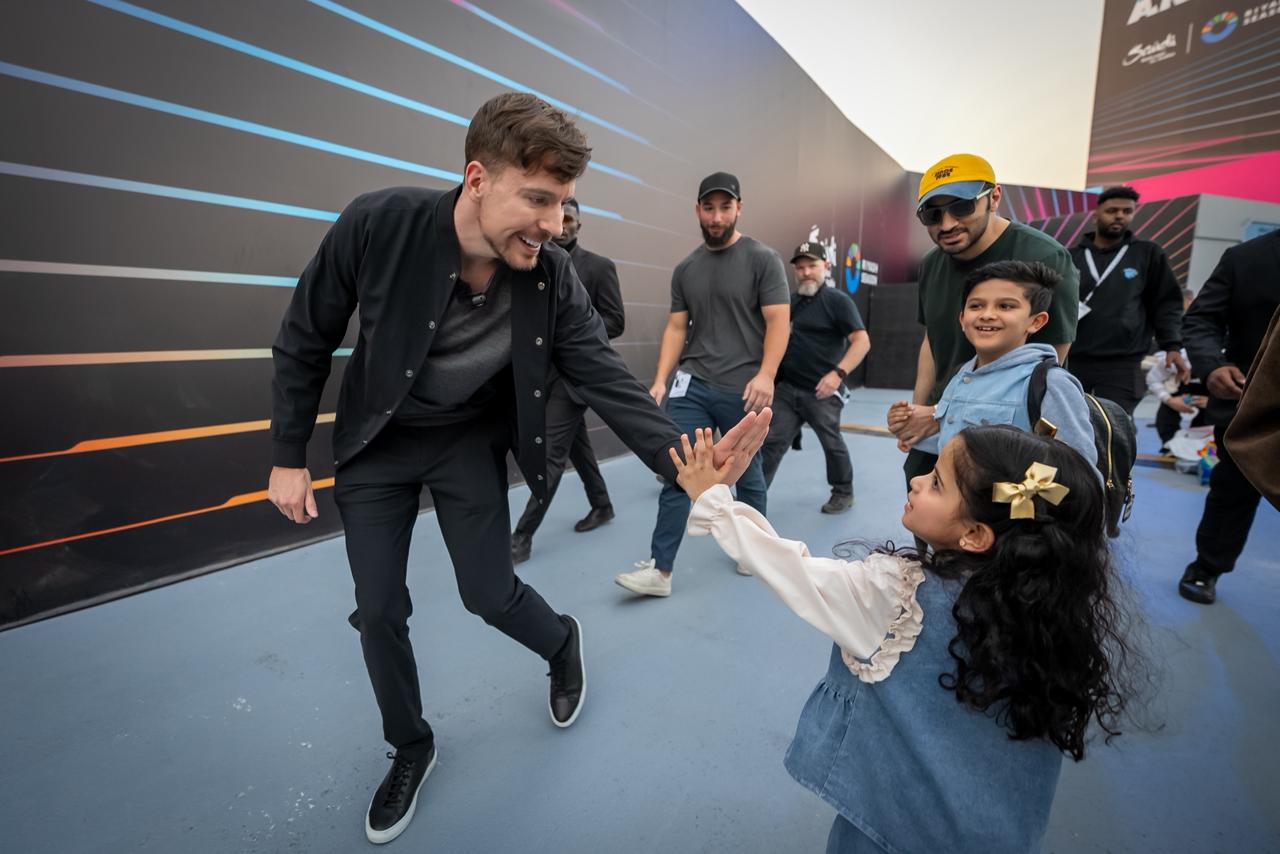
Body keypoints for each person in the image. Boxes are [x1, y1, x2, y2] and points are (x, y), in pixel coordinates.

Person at [267, 93, 771, 844]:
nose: (554, 223)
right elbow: (305, 336)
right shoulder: (377, 223)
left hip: (465, 442)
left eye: (563, 202)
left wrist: (689, 466)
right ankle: (411, 746)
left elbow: (606, 378)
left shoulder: (551, 275)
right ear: (477, 179)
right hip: (377, 444)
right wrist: (287, 456)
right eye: (538, 199)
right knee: (378, 610)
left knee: (488, 593)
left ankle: (562, 642)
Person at [672, 423, 1138, 853]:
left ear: (975, 534)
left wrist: (714, 501)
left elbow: (791, 569)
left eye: (936, 483)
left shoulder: (898, 599)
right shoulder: (1047, 612)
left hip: (891, 828)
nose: (916, 481)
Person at [614, 172, 790, 597]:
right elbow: (677, 328)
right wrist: (660, 380)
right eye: (708, 208)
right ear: (697, 210)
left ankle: (753, 552)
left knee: (749, 475)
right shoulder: (686, 269)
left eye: (725, 207)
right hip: (691, 385)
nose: (716, 217)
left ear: (738, 209)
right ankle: (660, 570)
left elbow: (778, 321)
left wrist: (766, 374)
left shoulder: (762, 259)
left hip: (744, 388)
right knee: (679, 469)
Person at [895, 153, 1080, 496]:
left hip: (1006, 442)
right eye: (932, 215)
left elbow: (1046, 362)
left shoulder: (1045, 256)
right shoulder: (931, 264)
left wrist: (938, 413)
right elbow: (932, 341)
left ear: (994, 197)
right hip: (938, 428)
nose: (947, 224)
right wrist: (917, 414)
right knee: (924, 511)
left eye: (962, 207)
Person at [888, 261, 1097, 468]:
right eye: (976, 306)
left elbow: (1078, 467)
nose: (987, 315)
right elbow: (955, 441)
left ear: (1036, 321)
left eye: (1005, 306)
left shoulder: (1050, 384)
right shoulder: (962, 376)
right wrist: (908, 430)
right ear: (962, 319)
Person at [510, 198, 625, 564]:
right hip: (541, 374)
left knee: (550, 457)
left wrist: (573, 333)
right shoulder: (532, 261)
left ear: (577, 224)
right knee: (578, 447)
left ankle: (521, 536)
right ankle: (602, 505)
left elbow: (616, 321)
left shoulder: (600, 267)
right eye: (558, 216)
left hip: (574, 379)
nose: (563, 224)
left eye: (569, 218)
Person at [1177, 228, 1280, 605]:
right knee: (1233, 489)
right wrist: (1213, 365)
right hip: (1252, 403)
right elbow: (1201, 320)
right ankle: (1207, 567)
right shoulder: (1246, 258)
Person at [761, 241, 870, 514]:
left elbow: (862, 341)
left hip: (822, 391)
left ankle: (843, 492)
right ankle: (753, 496)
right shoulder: (791, 303)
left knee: (832, 443)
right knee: (771, 442)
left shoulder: (838, 302)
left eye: (812, 265)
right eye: (800, 268)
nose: (806, 272)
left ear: (826, 266)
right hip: (788, 389)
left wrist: (838, 374)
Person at [1066, 186, 1188, 415]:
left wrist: (1172, 345)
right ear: (1096, 215)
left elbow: (1166, 303)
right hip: (1073, 359)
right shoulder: (1071, 257)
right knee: (1068, 422)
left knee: (1114, 425)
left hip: (1123, 362)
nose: (1119, 216)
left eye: (1127, 211)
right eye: (1112, 210)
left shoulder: (1148, 254)